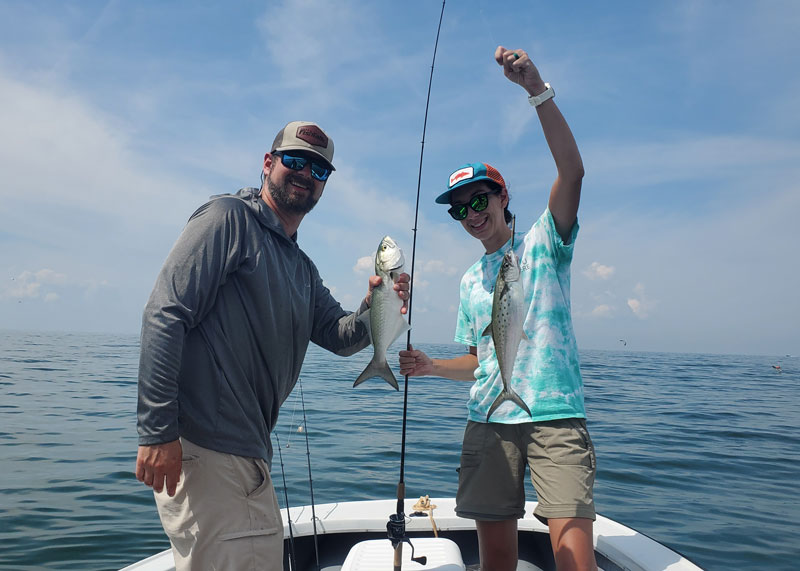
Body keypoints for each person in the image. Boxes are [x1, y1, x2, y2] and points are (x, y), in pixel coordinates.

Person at [135, 120, 409, 571]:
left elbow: (340, 336)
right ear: (268, 163)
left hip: (245, 455)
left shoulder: (302, 268)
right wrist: (157, 431)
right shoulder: (229, 218)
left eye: (318, 170)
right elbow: (165, 313)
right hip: (211, 452)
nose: (305, 174)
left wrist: (375, 307)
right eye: (295, 161)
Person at [399, 47, 597, 571]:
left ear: (502, 196)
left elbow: (573, 172)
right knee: (496, 564)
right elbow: (480, 361)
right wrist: (431, 367)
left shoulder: (544, 243)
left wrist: (537, 91)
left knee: (576, 563)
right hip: (488, 417)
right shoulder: (469, 280)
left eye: (479, 200)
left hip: (554, 415)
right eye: (459, 209)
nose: (471, 214)